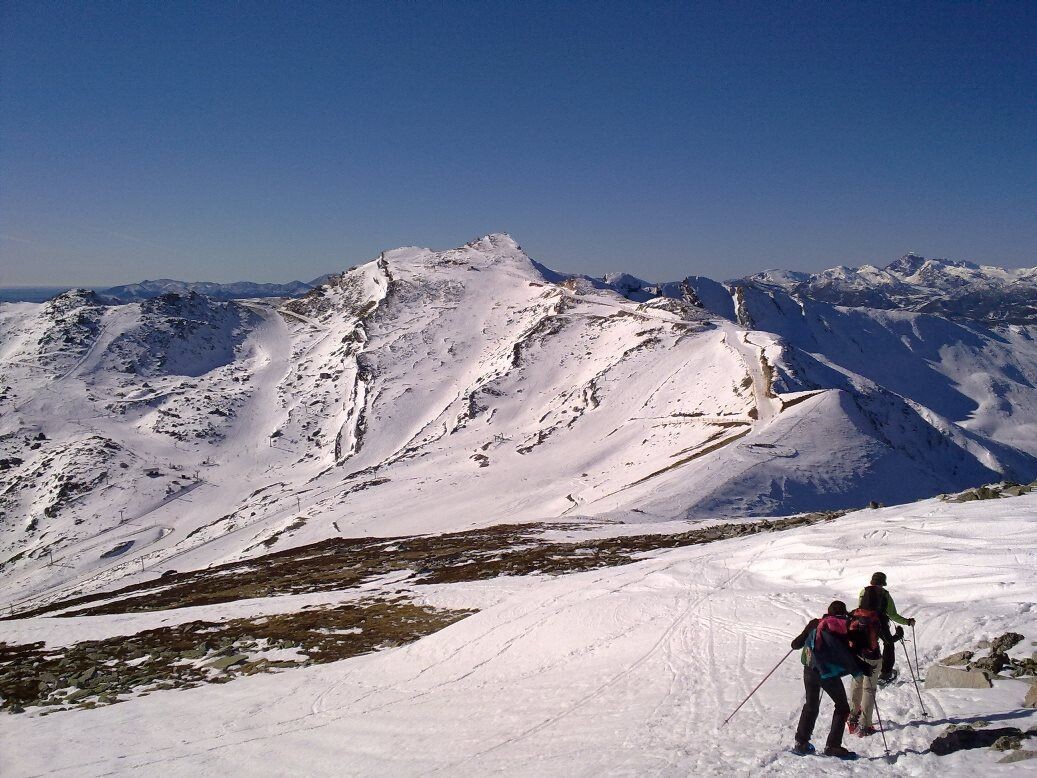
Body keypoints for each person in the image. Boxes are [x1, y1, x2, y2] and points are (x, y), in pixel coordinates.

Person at [791, 600, 868, 759]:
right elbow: (847, 651)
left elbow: (795, 644)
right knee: (842, 707)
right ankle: (833, 746)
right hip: (828, 673)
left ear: (828, 612)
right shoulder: (844, 626)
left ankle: (801, 742)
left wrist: (808, 633)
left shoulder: (815, 623)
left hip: (810, 670)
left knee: (811, 704)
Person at [859, 571, 915, 683]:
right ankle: (885, 673)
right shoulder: (885, 594)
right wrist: (907, 622)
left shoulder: (863, 591)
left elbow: (860, 608)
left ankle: (866, 671)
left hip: (864, 623)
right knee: (888, 645)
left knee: (869, 646)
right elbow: (893, 614)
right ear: (883, 583)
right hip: (880, 623)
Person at [847, 593, 884, 736]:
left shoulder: (854, 615)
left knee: (856, 684)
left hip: (856, 655)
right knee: (869, 689)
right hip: (872, 657)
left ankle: (852, 717)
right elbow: (886, 638)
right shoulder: (875, 617)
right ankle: (865, 725)